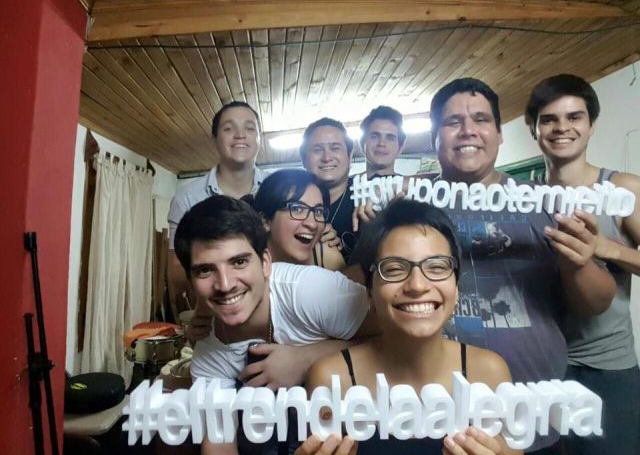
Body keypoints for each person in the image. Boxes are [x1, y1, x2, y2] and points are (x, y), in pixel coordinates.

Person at [427, 78, 616, 453]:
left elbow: (595, 303)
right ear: (434, 137)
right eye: (453, 122)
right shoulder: (408, 206)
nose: (468, 130)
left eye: (481, 119)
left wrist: (577, 266)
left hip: (534, 417)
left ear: (499, 134)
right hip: (431, 414)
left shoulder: (547, 201)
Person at [302, 199, 520, 455]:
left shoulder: (489, 372)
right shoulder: (331, 379)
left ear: (457, 288)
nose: (417, 285)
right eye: (394, 269)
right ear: (369, 291)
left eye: (437, 267)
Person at [174, 195, 377, 454]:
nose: (225, 284)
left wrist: (306, 359)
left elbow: (399, 340)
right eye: (205, 270)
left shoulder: (309, 291)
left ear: (265, 263)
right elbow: (219, 444)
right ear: (191, 280)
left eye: (239, 262)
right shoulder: (209, 350)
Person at [524, 73, 640, 454]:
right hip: (541, 364)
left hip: (606, 367)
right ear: (533, 129)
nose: (562, 128)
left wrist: (608, 249)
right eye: (549, 119)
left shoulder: (623, 189)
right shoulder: (523, 197)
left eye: (574, 117)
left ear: (592, 125)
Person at [167, 101, 267, 311]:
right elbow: (177, 269)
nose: (240, 135)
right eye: (229, 128)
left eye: (250, 128)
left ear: (259, 138)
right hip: (215, 310)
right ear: (215, 140)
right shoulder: (187, 197)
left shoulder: (277, 190)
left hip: (271, 309)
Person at [246, 169, 345, 271]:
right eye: (297, 209)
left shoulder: (327, 257)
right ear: (265, 221)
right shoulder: (246, 263)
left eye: (318, 211)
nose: (312, 224)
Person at [299, 117, 362, 261]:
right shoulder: (291, 203)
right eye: (317, 150)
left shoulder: (368, 194)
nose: (327, 157)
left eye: (335, 148)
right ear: (304, 160)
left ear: (350, 157)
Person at [359, 105, 406, 178]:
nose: (381, 143)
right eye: (374, 136)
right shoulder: (344, 184)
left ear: (400, 148)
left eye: (390, 138)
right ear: (362, 144)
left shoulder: (411, 185)